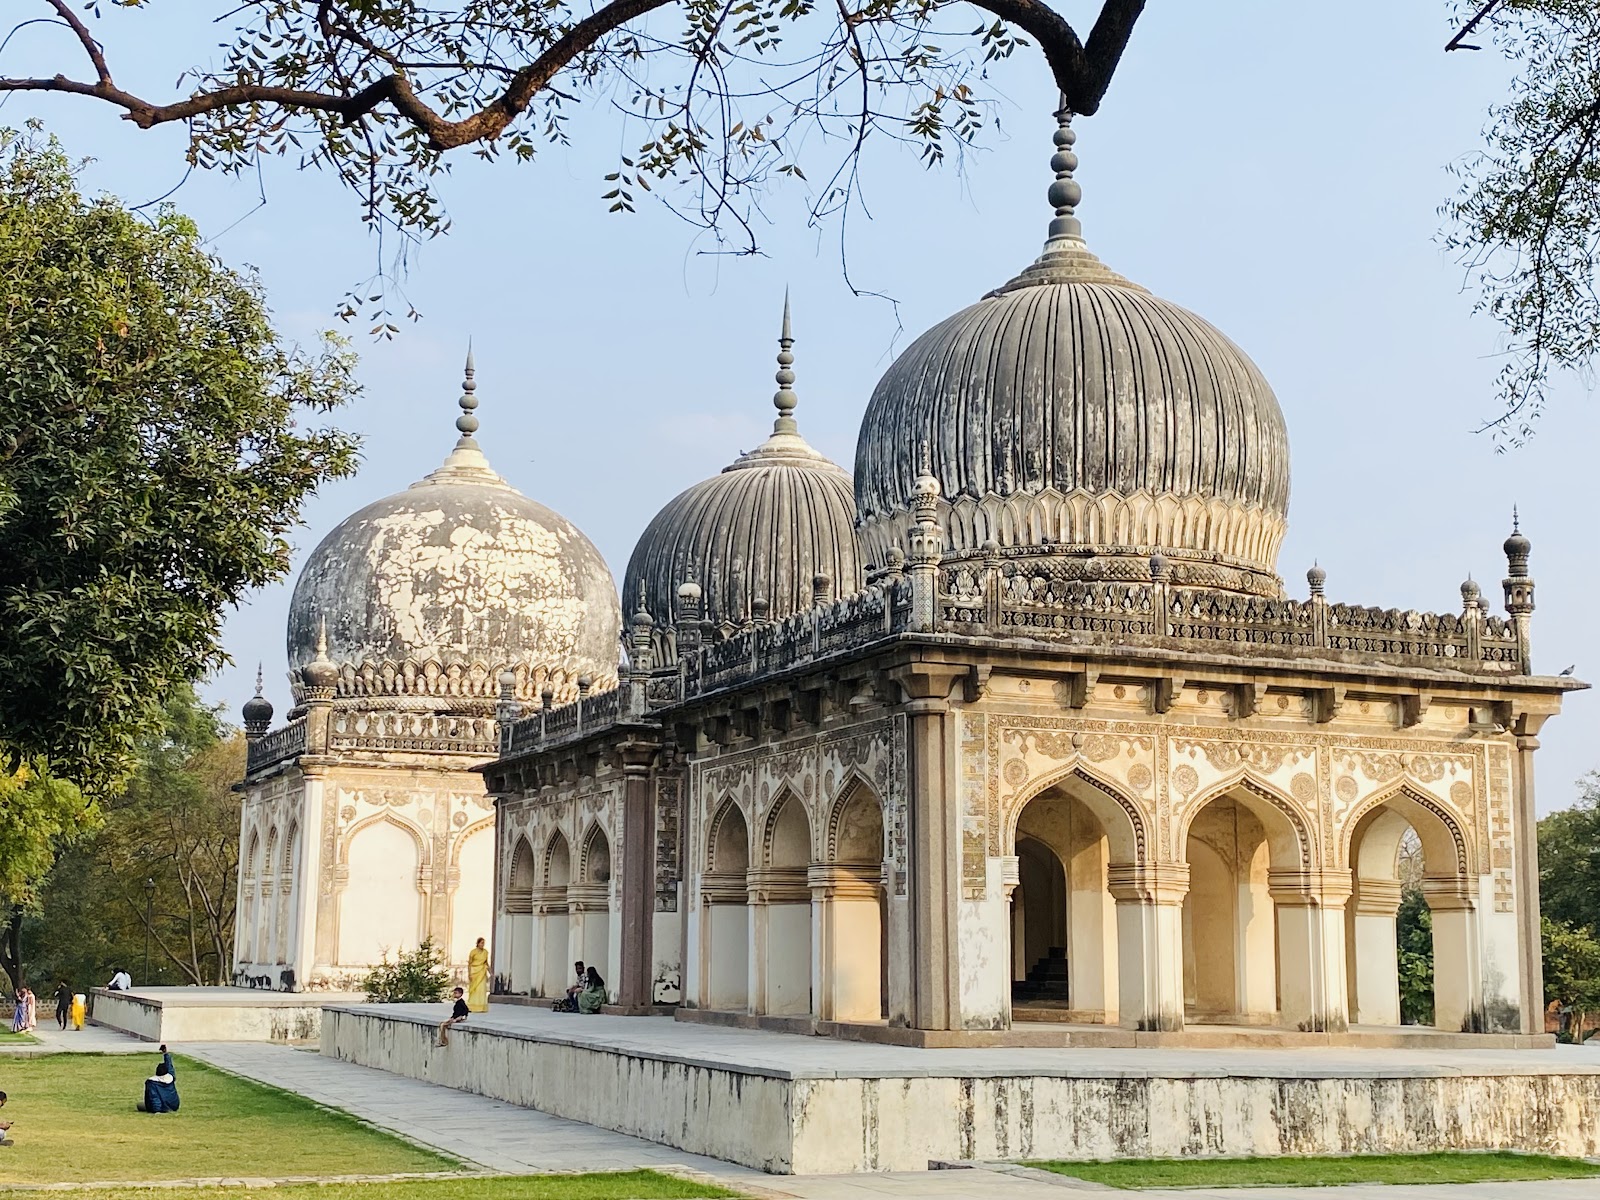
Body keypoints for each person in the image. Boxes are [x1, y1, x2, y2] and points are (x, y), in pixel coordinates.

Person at [466, 937, 490, 1013]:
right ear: (478, 943)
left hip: (482, 971)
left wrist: (490, 971)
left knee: (481, 989)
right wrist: (469, 974)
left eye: (483, 943)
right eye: (481, 943)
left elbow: (486, 962)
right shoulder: (473, 952)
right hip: (474, 971)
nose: (482, 945)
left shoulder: (485, 952)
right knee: (474, 989)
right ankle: (472, 1006)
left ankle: (481, 1006)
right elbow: (470, 963)